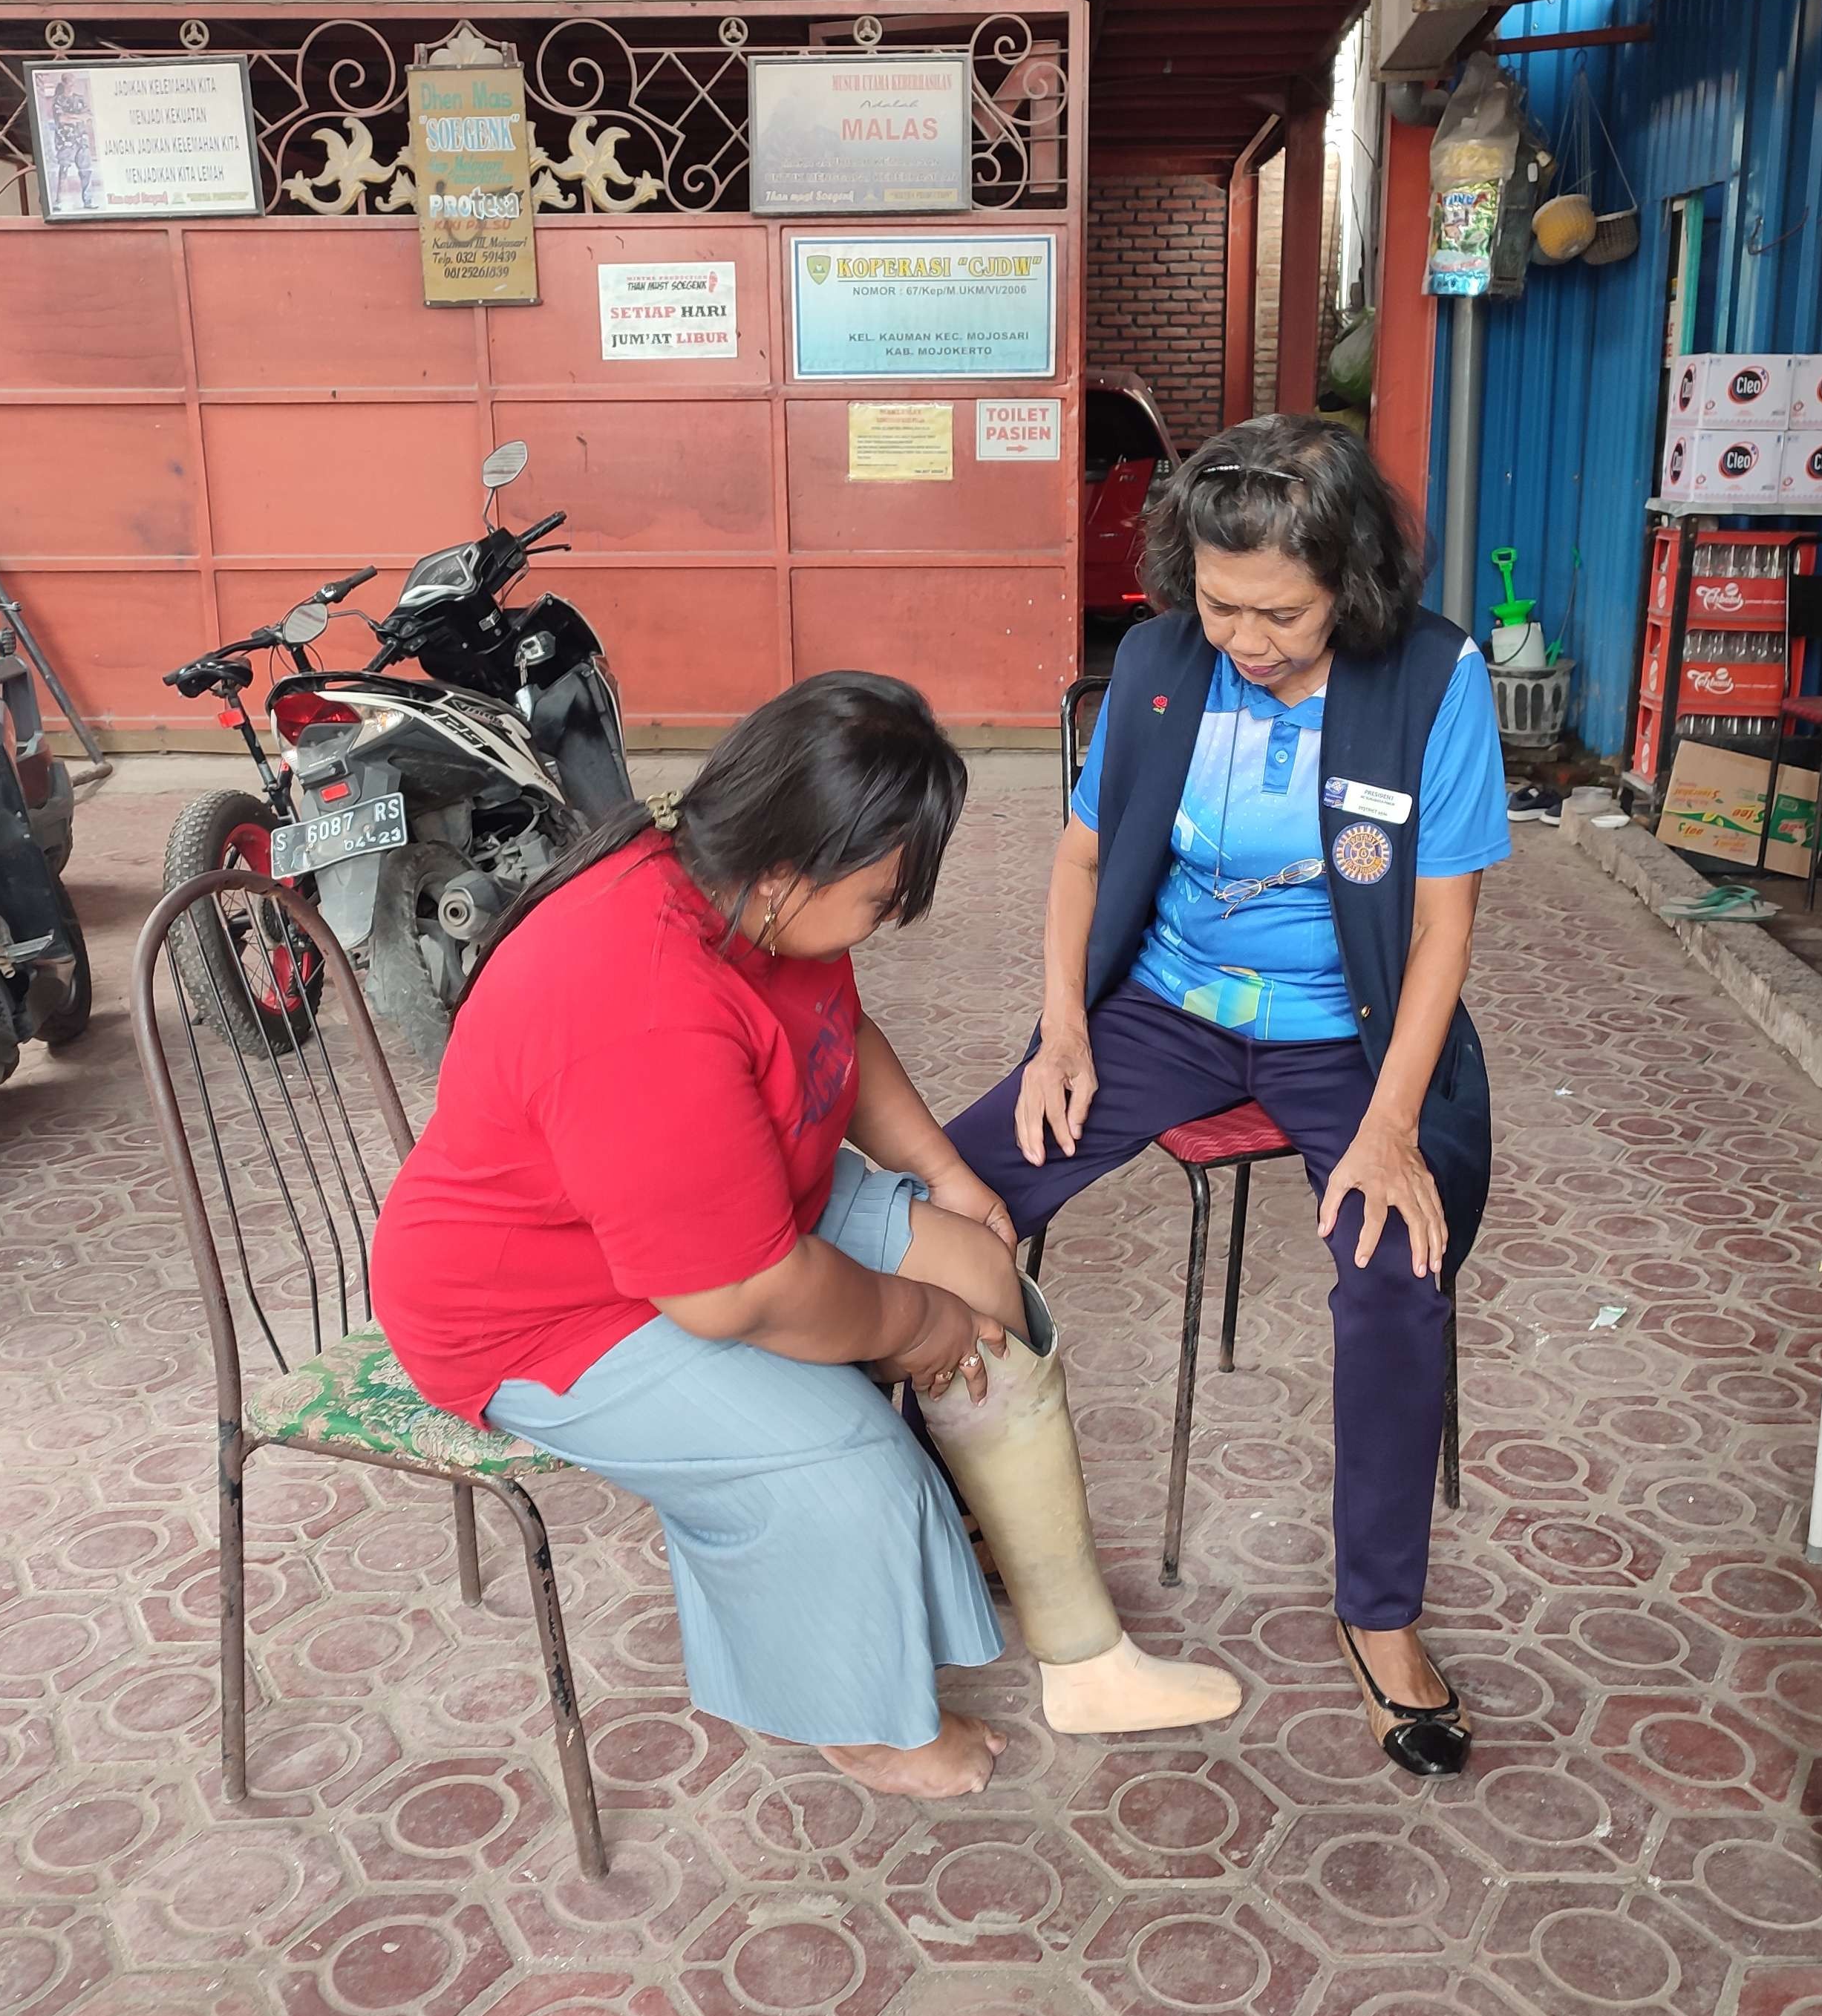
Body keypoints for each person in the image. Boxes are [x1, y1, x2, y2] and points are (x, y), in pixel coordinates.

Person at [370, 672, 1229, 1802]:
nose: (884, 921)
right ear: (790, 867)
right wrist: (911, 1324)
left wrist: (947, 1176)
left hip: (732, 1197)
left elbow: (841, 1027)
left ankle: (1076, 1648)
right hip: (542, 1307)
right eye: (880, 898)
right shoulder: (642, 993)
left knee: (982, 1269)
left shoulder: (747, 889)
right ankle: (864, 1726)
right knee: (849, 1470)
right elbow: (740, 1294)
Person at [944, 413, 1507, 1778]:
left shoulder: (1431, 683)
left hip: (1349, 1037)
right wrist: (1064, 1035)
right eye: (1217, 602)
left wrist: (1389, 1125)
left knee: (1391, 1267)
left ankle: (1377, 1613)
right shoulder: (1153, 666)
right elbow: (1082, 868)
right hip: (1161, 1013)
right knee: (951, 1197)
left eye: (1282, 613)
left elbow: (1440, 933)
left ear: (1352, 582)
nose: (1244, 638)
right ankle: (956, 1512)